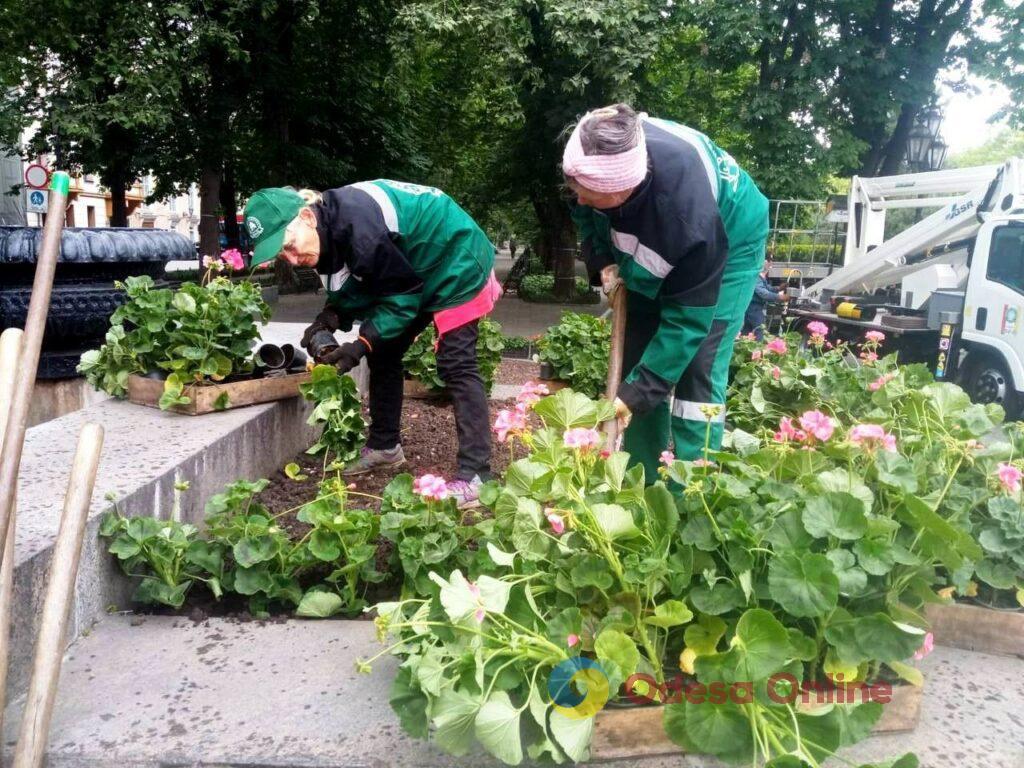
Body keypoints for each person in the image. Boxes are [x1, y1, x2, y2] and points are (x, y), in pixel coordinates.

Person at [242, 181, 501, 507]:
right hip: (415, 269)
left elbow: (400, 298)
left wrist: (361, 344)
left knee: (456, 362)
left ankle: (477, 476)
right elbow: (363, 281)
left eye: (289, 245)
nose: (291, 260)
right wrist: (331, 317)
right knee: (386, 351)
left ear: (307, 217)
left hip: (455, 257)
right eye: (282, 253)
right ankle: (385, 446)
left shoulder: (359, 227)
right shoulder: (330, 231)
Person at [564, 104, 769, 478]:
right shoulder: (596, 155)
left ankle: (693, 486)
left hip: (734, 238)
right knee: (639, 354)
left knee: (698, 365)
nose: (579, 197)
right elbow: (584, 213)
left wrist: (642, 390)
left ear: (622, 190)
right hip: (657, 219)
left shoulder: (689, 220)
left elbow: (688, 320)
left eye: (590, 193)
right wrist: (602, 260)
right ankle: (642, 479)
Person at [742, 258, 787, 340]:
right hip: (754, 309)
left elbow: (768, 288)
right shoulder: (757, 277)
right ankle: (759, 350)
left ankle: (742, 349)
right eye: (768, 262)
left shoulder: (760, 277)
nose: (769, 265)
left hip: (751, 308)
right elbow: (764, 294)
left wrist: (779, 288)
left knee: (747, 331)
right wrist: (781, 297)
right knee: (760, 331)